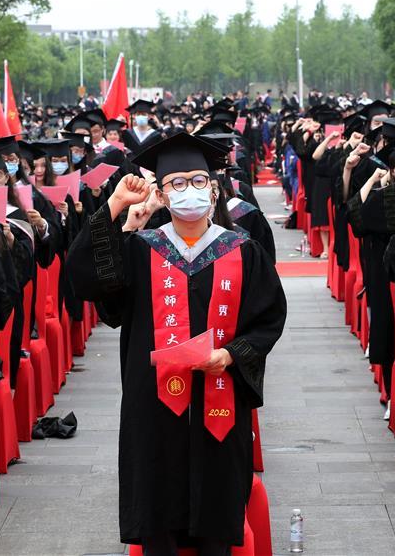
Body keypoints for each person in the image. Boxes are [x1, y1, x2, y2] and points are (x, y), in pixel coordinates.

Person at [67, 132, 287, 555]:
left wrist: (230, 354)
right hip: (154, 407)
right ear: (163, 196)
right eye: (178, 184)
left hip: (218, 397)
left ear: (215, 188)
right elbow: (86, 278)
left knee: (215, 527)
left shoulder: (243, 251)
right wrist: (114, 206)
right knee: (159, 518)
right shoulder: (139, 250)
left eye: (199, 181)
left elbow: (268, 319)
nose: (190, 191)